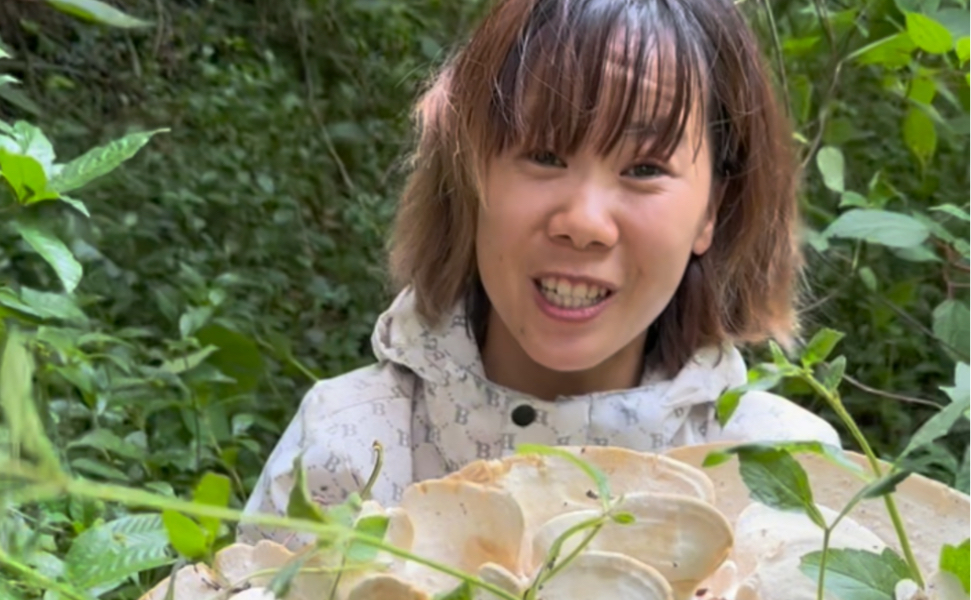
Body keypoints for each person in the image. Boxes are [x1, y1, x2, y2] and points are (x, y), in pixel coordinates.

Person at [239, 0, 839, 547]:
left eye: (645, 167)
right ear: (468, 172)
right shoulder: (344, 447)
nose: (584, 222)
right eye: (545, 155)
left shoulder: (786, 478)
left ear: (713, 208)